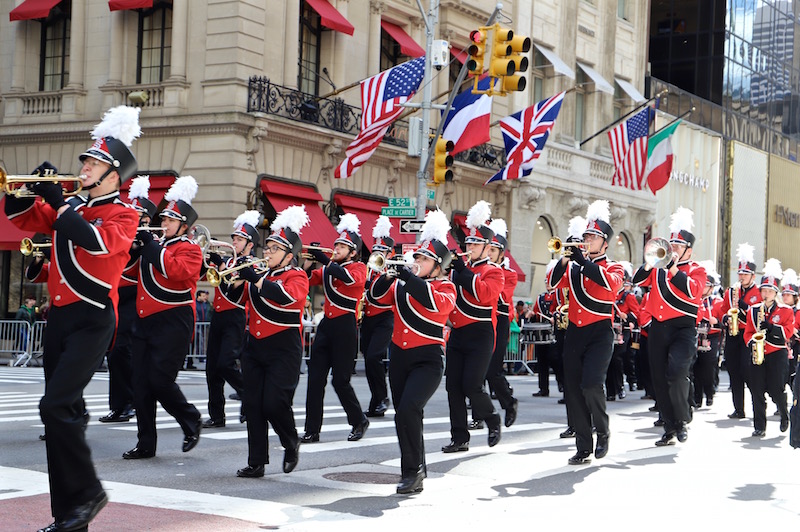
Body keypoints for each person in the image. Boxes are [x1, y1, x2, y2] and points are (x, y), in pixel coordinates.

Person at [5, 105, 141, 532]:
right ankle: (70, 513)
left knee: (57, 403)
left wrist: (61, 204)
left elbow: (98, 244)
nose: (84, 167)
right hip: (60, 318)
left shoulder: (124, 214)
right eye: (84, 161)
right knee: (58, 413)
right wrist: (23, 188)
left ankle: (89, 495)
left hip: (93, 318)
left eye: (93, 162)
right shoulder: (74, 206)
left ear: (114, 175)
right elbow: (21, 218)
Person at [369, 209, 456, 494]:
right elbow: (374, 299)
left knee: (409, 408)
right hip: (399, 358)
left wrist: (407, 276)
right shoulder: (403, 284)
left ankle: (412, 473)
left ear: (438, 265)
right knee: (404, 414)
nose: (417, 262)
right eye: (416, 257)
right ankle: (418, 465)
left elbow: (436, 304)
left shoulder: (446, 287)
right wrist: (387, 274)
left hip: (428, 359)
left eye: (423, 259)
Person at [123, 175, 204, 460]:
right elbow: (127, 274)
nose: (164, 223)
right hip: (145, 321)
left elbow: (176, 273)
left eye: (171, 220)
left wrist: (150, 246)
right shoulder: (155, 246)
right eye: (165, 218)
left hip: (174, 320)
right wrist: (130, 251)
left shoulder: (191, 249)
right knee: (141, 384)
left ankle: (190, 418)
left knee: (160, 380)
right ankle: (146, 443)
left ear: (184, 225)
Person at [234, 205, 309, 477]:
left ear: (289, 255)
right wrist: (228, 276)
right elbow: (236, 300)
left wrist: (254, 279)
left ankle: (291, 443)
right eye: (267, 248)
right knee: (253, 405)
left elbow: (288, 297)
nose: (268, 252)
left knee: (274, 403)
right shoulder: (261, 274)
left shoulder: (296, 275)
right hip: (254, 346)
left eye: (275, 249)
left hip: (283, 347)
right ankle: (257, 461)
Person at [549, 200, 623, 464]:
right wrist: (564, 258)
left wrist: (581, 261)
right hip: (575, 333)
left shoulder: (613, 266)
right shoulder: (574, 266)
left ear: (605, 244)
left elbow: (610, 285)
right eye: (586, 236)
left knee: (592, 384)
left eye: (593, 237)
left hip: (600, 334)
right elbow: (551, 284)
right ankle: (583, 446)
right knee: (572, 390)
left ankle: (602, 431)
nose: (588, 240)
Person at [632, 207, 706, 446]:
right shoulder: (658, 268)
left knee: (676, 372)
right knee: (659, 379)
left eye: (678, 246)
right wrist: (651, 261)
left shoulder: (697, 270)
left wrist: (672, 267)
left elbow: (693, 291)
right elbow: (636, 280)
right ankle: (669, 426)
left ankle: (682, 419)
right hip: (659, 328)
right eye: (671, 244)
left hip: (683, 329)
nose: (673, 249)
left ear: (688, 250)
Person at [442, 200, 504, 453]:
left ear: (488, 248)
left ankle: (492, 418)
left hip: (480, 334)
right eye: (469, 243)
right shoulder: (458, 270)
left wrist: (463, 273)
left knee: (472, 385)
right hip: (457, 334)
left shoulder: (494, 271)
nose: (471, 247)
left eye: (476, 244)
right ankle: (460, 437)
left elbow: (485, 295)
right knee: (453, 387)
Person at [301, 213, 369, 443]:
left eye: (342, 246)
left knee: (340, 381)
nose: (336, 249)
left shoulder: (360, 267)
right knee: (315, 379)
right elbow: (308, 279)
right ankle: (312, 430)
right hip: (326, 326)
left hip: (345, 328)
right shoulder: (329, 268)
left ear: (353, 252)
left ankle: (358, 420)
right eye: (336, 245)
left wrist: (326, 261)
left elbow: (350, 280)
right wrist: (308, 264)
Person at [100, 175, 157, 423]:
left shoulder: (150, 240)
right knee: (114, 352)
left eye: (140, 218)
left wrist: (141, 245)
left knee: (122, 351)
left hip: (134, 298)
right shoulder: (124, 232)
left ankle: (129, 402)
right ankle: (120, 404)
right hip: (114, 296)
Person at [202, 211, 259, 428]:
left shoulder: (251, 264)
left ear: (249, 245)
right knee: (212, 370)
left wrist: (222, 265)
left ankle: (248, 395)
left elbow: (230, 288)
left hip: (234, 317)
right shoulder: (228, 261)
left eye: (239, 239)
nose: (234, 242)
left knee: (226, 363)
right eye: (234, 238)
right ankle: (217, 416)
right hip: (218, 316)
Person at [743, 258, 792, 437]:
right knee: (756, 390)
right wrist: (753, 343)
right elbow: (747, 333)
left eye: (770, 291)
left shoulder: (785, 311)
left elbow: (788, 332)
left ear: (775, 292)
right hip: (758, 354)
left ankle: (784, 414)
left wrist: (771, 328)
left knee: (776, 389)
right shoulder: (753, 310)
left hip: (777, 354)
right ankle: (759, 426)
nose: (766, 294)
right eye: (764, 290)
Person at [719, 243, 761, 419]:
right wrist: (725, 319)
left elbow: (758, 313)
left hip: (747, 335)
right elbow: (722, 309)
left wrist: (743, 306)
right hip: (733, 334)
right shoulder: (731, 292)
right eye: (740, 273)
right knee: (734, 370)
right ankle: (739, 409)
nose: (742, 276)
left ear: (752, 275)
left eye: (745, 274)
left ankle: (757, 406)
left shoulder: (758, 293)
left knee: (747, 370)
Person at [484, 218, 519, 427]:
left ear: (501, 253)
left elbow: (499, 297)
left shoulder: (509, 274)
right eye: (488, 249)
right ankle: (481, 414)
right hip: (481, 321)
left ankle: (509, 402)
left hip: (500, 321)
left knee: (492, 370)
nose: (489, 254)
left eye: (493, 251)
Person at [362, 216, 396, 417]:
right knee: (368, 360)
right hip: (368, 317)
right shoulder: (369, 270)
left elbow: (387, 292)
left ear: (389, 253)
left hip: (385, 318)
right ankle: (376, 401)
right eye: (375, 251)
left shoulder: (391, 270)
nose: (377, 254)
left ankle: (383, 397)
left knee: (375, 356)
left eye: (381, 251)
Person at [694, 261, 723, 408]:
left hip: (711, 336)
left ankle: (709, 393)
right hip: (697, 335)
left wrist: (716, 321)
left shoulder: (718, 302)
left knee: (708, 366)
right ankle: (697, 397)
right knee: (696, 366)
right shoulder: (695, 300)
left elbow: (724, 322)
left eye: (706, 285)